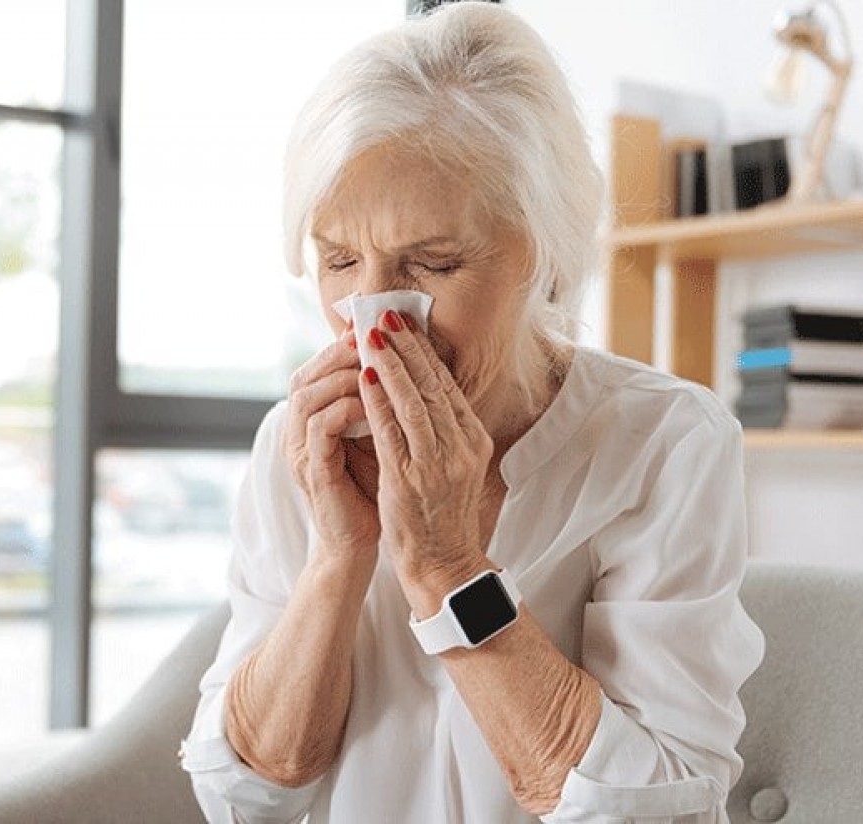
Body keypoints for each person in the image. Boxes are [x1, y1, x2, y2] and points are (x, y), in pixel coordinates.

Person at [179, 3, 765, 822]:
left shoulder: (667, 443)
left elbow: (650, 808)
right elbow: (243, 796)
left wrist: (450, 568)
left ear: (544, 254)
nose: (370, 317)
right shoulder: (297, 442)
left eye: (434, 262)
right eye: (339, 260)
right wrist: (338, 559)